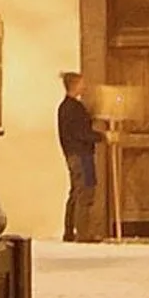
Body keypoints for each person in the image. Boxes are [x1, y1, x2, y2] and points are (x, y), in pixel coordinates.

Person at [56, 71, 105, 242]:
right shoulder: (74, 108)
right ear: (74, 85)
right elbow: (81, 133)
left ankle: (69, 231)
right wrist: (103, 137)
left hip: (73, 154)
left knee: (75, 192)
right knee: (85, 192)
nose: (84, 87)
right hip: (82, 154)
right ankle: (83, 233)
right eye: (82, 83)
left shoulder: (65, 107)